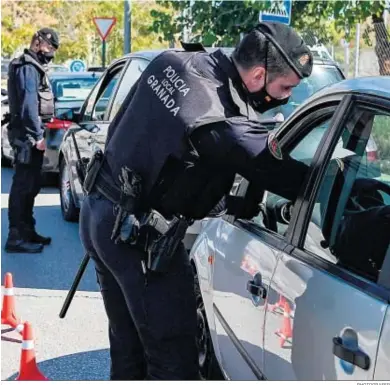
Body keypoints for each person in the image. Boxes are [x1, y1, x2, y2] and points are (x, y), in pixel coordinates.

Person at [79, 22, 313, 380]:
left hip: (99, 213)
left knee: (128, 347)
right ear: (258, 74)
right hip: (137, 241)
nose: (285, 98)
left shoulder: (174, 61)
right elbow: (287, 175)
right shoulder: (217, 117)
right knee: (173, 357)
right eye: (285, 88)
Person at [5, 28, 59, 253]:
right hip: (27, 137)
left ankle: (28, 231)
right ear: (39, 43)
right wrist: (38, 137)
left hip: (27, 135)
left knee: (32, 185)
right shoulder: (27, 67)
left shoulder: (31, 66)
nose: (52, 53)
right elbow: (28, 107)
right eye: (50, 47)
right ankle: (16, 238)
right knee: (23, 187)